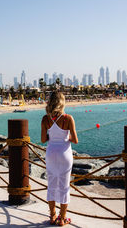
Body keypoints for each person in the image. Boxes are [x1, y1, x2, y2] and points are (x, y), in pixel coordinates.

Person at [41, 91, 78, 226]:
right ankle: (62, 219)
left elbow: (43, 139)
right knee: (64, 186)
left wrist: (53, 137)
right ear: (62, 103)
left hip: (51, 154)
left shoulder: (45, 119)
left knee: (51, 185)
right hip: (64, 154)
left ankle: (52, 216)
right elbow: (75, 140)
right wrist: (66, 137)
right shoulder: (68, 118)